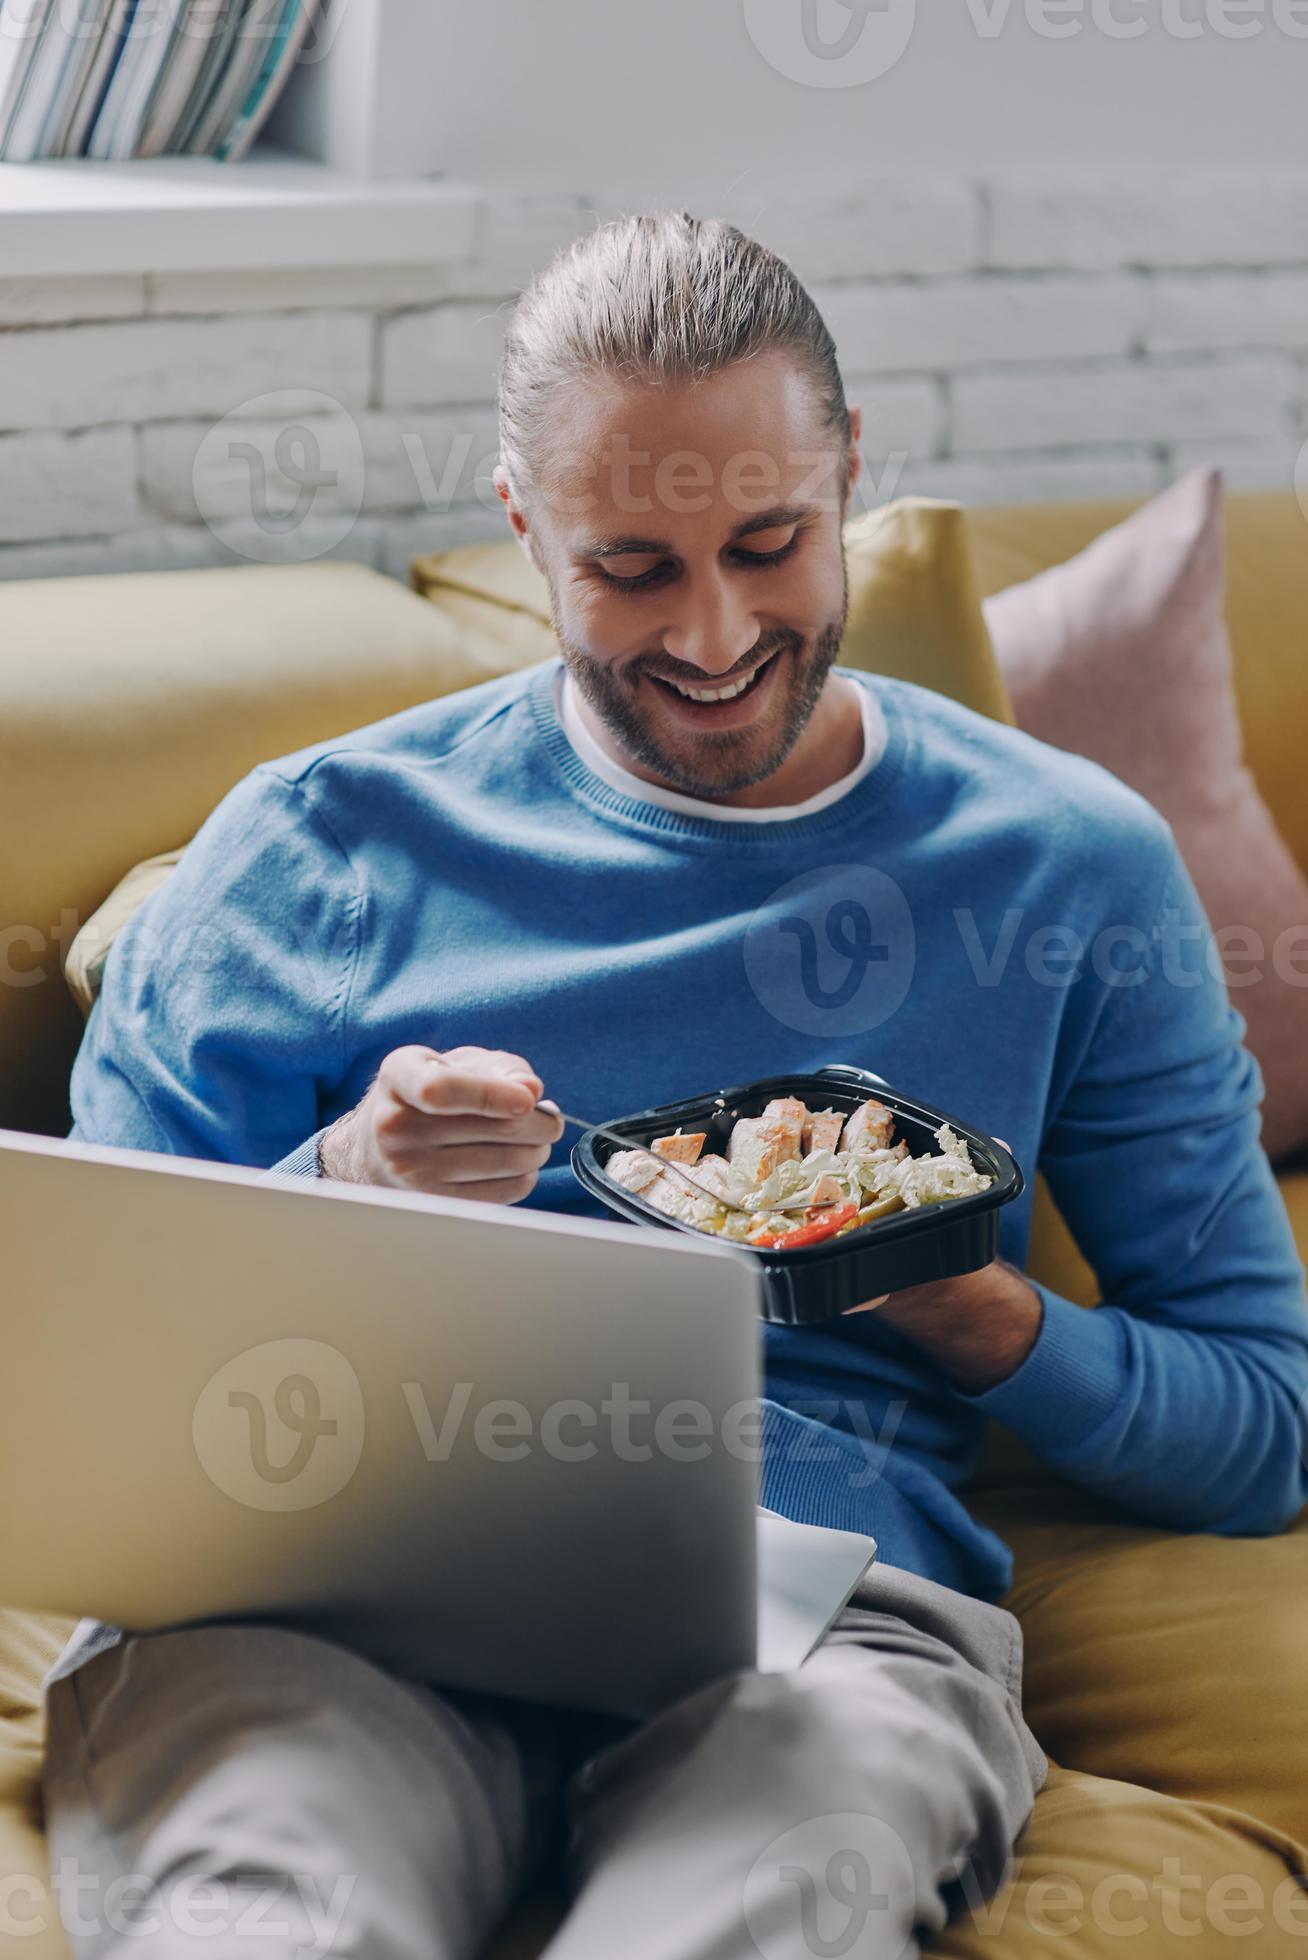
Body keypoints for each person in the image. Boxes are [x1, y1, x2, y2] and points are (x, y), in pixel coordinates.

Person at [46, 213, 1307, 1960]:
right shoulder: (314, 848)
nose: (715, 637)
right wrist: (351, 1184)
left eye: (770, 544)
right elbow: (87, 1381)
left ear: (850, 473)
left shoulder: (1067, 866)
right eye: (631, 568)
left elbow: (1263, 1426)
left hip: (823, 1623)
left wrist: (972, 1307)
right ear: (523, 525)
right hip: (325, 1589)